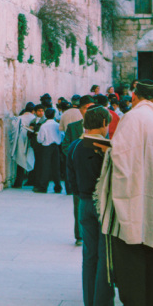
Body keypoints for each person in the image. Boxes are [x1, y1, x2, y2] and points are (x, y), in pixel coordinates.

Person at [96, 80, 153, 306]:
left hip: (133, 200)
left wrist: (106, 152)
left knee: (130, 257)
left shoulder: (132, 118)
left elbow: (121, 155)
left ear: (133, 96)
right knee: (151, 257)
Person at [68, 107, 116, 306]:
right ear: (105, 123)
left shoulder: (74, 146)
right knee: (105, 254)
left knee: (89, 254)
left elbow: (70, 180)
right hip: (102, 204)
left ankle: (90, 303)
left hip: (84, 203)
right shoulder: (106, 147)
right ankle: (102, 304)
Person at [62, 95, 97, 245]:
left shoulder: (99, 127)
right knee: (78, 204)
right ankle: (80, 235)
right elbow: (65, 146)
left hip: (94, 170)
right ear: (81, 110)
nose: (89, 111)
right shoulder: (73, 127)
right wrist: (77, 159)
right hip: (78, 171)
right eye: (86, 108)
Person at [34, 108, 63, 193]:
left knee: (45, 167)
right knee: (56, 167)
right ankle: (57, 187)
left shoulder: (44, 126)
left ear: (45, 115)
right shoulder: (57, 125)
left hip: (46, 147)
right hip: (56, 147)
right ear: (54, 115)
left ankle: (43, 187)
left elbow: (40, 139)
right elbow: (61, 136)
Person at [12, 102, 37, 187]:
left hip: (21, 138)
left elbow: (14, 127)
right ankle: (31, 180)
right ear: (33, 110)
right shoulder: (34, 118)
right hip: (30, 138)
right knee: (31, 157)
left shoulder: (19, 118)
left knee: (20, 160)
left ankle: (18, 182)